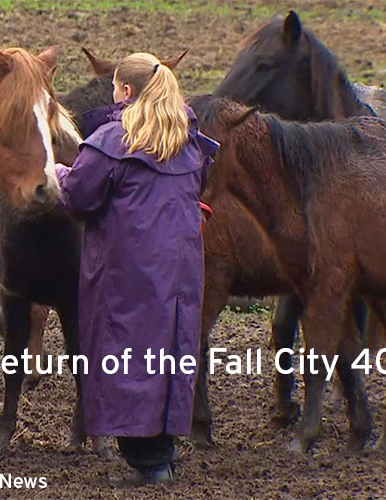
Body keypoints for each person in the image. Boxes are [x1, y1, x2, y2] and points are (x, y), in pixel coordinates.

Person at [55, 52, 219, 485]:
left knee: (127, 348)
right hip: (181, 265)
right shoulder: (188, 138)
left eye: (114, 87)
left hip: (129, 268)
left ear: (126, 91)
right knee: (169, 346)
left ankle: (147, 461)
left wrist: (56, 171)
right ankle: (160, 453)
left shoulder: (113, 141)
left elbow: (78, 196)